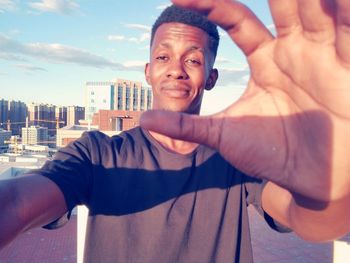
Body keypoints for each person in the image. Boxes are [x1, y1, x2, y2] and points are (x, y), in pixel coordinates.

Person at [1, 0, 350, 262]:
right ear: (148, 71)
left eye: (194, 60)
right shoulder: (96, 155)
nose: (176, 71)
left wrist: (330, 179)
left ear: (211, 78)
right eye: (164, 58)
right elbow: (16, 204)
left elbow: (309, 220)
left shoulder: (238, 160)